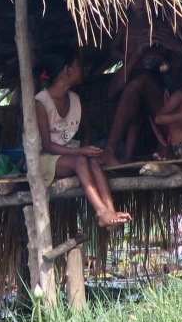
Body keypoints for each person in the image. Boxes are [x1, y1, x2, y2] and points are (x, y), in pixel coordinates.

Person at [34, 45, 132, 229]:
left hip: (71, 153)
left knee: (92, 161)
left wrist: (86, 150)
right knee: (81, 160)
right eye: (78, 65)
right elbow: (47, 146)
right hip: (44, 159)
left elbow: (86, 131)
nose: (82, 69)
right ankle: (101, 212)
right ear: (67, 70)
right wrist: (81, 151)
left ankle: (109, 210)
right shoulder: (41, 102)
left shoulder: (74, 99)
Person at [100, 0, 182, 167]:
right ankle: (124, 155)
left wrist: (159, 55)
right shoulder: (126, 25)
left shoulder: (159, 24)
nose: (139, 4)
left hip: (155, 79)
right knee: (133, 99)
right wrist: (133, 56)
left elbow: (169, 52)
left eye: (143, 0)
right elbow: (114, 51)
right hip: (133, 72)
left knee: (137, 86)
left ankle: (113, 150)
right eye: (134, 0)